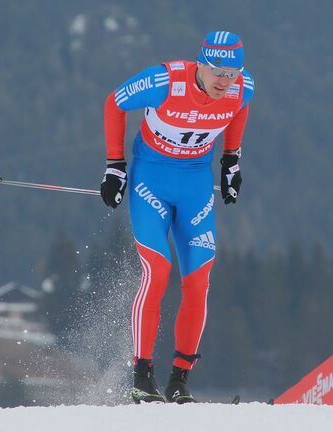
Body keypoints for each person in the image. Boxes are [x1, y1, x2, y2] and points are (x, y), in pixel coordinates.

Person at [100, 31, 255, 404]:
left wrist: (231, 159)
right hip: (150, 179)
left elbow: (240, 109)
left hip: (196, 185)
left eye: (232, 73)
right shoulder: (164, 81)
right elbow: (114, 103)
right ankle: (142, 376)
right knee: (158, 270)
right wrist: (115, 166)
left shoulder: (241, 88)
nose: (224, 81)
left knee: (199, 280)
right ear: (200, 62)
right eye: (218, 70)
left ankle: (179, 380)